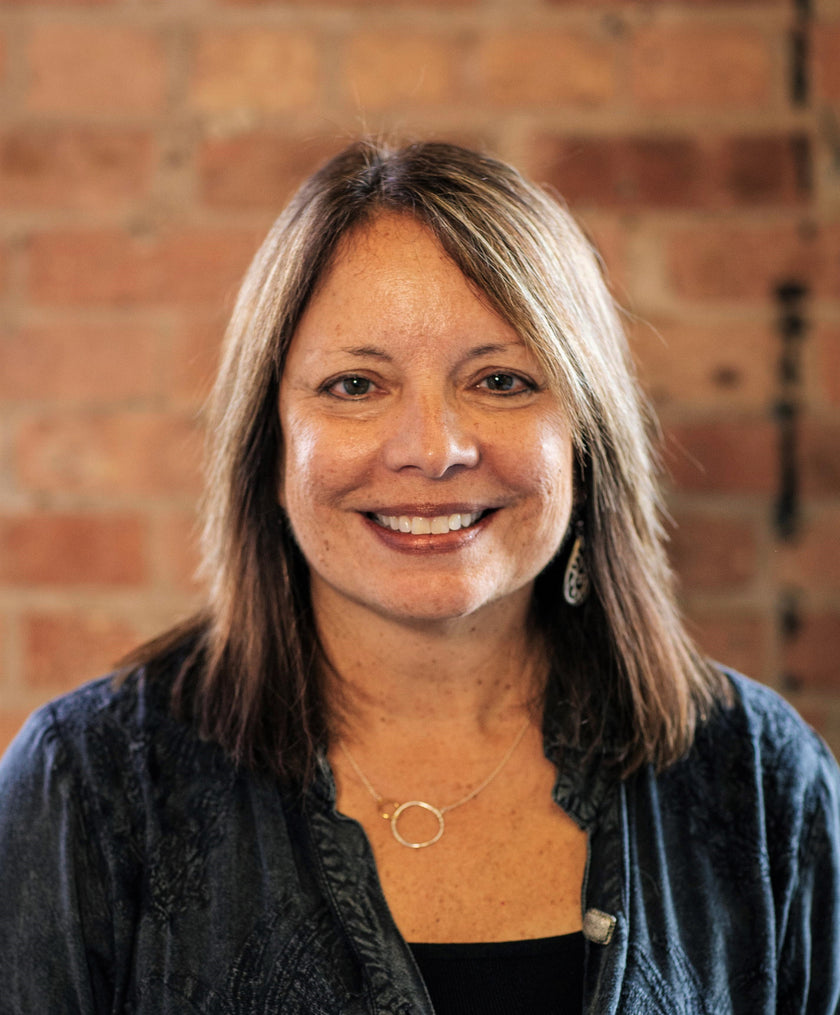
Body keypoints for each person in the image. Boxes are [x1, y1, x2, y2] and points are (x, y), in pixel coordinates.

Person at [0, 139, 838, 1015]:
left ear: (586, 438)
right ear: (270, 439)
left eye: (503, 380)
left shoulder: (760, 782)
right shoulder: (89, 788)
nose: (434, 450)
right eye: (356, 384)